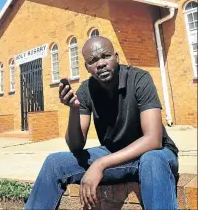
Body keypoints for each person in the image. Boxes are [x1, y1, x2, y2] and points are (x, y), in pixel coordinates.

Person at [25, 36, 179, 210]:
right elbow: (76, 146)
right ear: (87, 67)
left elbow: (153, 140)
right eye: (93, 61)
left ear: (116, 57)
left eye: (106, 56)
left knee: (152, 160)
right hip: (115, 154)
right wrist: (74, 110)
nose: (100, 64)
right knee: (54, 162)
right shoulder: (86, 90)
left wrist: (101, 164)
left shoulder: (139, 79)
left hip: (155, 154)